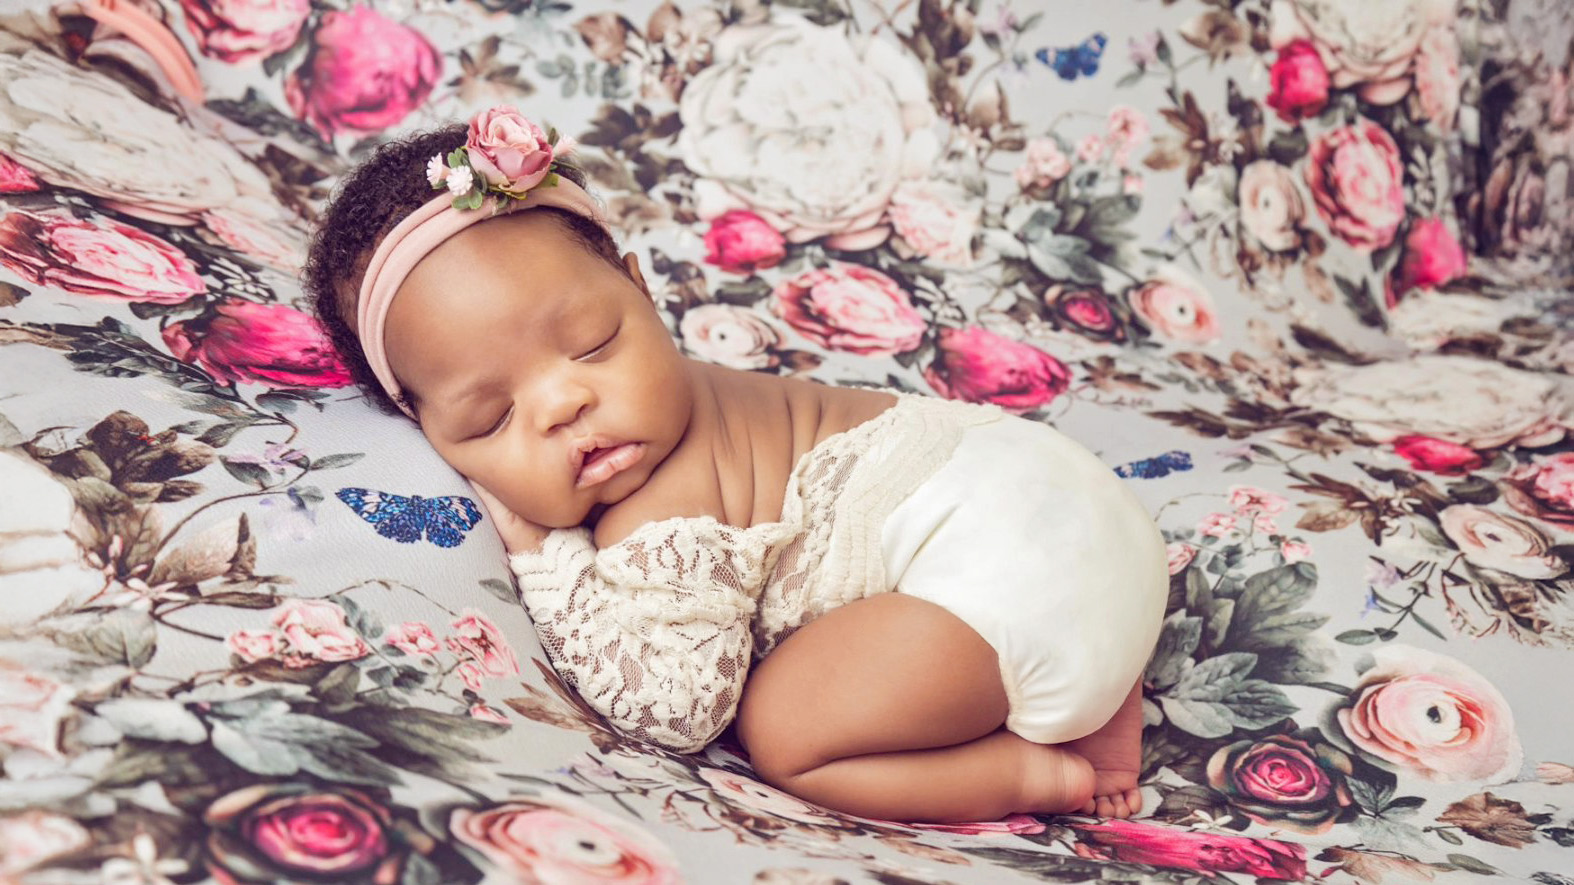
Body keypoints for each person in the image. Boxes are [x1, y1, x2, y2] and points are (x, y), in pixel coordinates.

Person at [304, 106, 1168, 824]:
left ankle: (1041, 772)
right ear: (425, 430)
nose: (564, 404)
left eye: (596, 343)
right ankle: (1106, 689)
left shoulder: (667, 497)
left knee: (786, 728)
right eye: (492, 417)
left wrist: (540, 550)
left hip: (1020, 572)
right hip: (1082, 513)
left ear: (644, 292)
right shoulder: (696, 399)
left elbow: (677, 708)